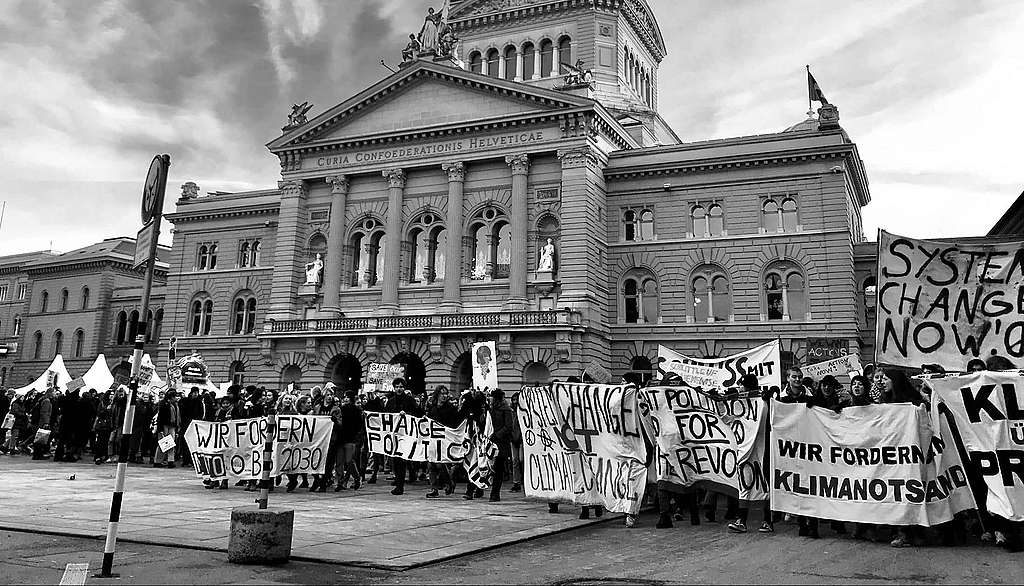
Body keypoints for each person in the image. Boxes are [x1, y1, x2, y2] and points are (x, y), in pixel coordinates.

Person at [728, 374, 774, 534]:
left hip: (763, 450)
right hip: (745, 450)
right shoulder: (740, 404)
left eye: (741, 386)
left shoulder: (763, 402)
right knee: (745, 484)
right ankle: (741, 520)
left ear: (747, 387)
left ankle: (767, 521)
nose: (739, 389)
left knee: (764, 484)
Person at [487, 389, 514, 502]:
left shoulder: (506, 410)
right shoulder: (490, 409)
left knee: (498, 468)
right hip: (490, 441)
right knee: (487, 466)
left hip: (501, 443)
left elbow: (508, 426)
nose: (490, 399)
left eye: (491, 397)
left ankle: (495, 493)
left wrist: (497, 435)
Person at [335, 390, 364, 491]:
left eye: (347, 397)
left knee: (349, 461)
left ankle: (356, 478)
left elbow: (359, 425)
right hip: (340, 438)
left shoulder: (356, 410)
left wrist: (355, 435)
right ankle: (340, 482)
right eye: (344, 397)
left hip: (350, 439)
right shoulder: (340, 409)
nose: (345, 398)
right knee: (339, 462)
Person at [153, 389, 180, 468]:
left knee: (171, 443)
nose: (177, 398)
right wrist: (160, 430)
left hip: (172, 426)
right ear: (171, 397)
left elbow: (177, 416)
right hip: (164, 425)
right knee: (162, 443)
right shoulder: (163, 404)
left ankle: (170, 460)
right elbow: (160, 418)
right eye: (175, 396)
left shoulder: (175, 405)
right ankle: (157, 461)